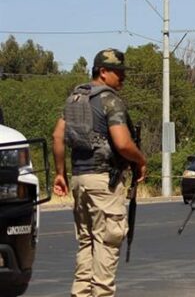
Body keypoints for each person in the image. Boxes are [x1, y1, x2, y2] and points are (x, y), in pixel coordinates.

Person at [52, 48, 147, 297]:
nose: (122, 77)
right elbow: (123, 143)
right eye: (118, 72)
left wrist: (60, 173)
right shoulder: (111, 100)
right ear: (103, 72)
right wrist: (141, 160)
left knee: (86, 243)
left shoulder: (75, 98)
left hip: (79, 180)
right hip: (104, 180)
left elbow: (57, 135)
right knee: (107, 243)